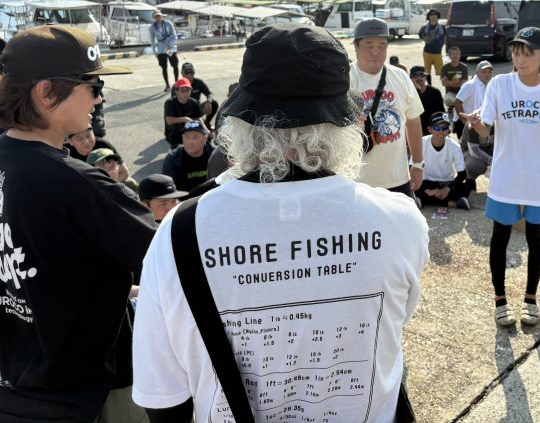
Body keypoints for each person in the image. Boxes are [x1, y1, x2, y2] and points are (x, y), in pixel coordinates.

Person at [132, 24, 428, 423]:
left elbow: (162, 397)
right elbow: (394, 322)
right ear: (346, 124)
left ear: (241, 122)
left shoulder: (179, 233)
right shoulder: (400, 221)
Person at [0, 25, 156, 422]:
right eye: (92, 85)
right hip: (82, 393)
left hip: (14, 380)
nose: (99, 97)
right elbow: (170, 259)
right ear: (46, 92)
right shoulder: (78, 184)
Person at [463, 26, 540, 328]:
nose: (521, 59)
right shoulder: (500, 84)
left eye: (528, 53)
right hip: (506, 177)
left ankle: (531, 299)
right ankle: (500, 300)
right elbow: (486, 129)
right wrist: (474, 123)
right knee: (499, 237)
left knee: (536, 238)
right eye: (516, 52)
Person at [350, 18, 425, 196]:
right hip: (357, 181)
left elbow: (413, 122)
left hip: (398, 179)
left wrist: (417, 164)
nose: (376, 52)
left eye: (382, 46)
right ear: (356, 46)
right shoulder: (344, 79)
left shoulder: (401, 77)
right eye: (369, 45)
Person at [414, 112, 472, 210]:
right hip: (426, 182)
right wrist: (427, 190)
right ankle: (450, 203)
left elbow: (462, 174)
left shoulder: (455, 146)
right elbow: (412, 168)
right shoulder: (421, 143)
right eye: (437, 128)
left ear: (448, 129)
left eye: (444, 128)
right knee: (410, 184)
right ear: (429, 129)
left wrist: (447, 189)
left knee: (467, 186)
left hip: (447, 182)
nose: (441, 132)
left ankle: (424, 200)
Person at [455, 60, 494, 183]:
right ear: (477, 72)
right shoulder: (470, 85)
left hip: (483, 122)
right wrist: (466, 122)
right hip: (467, 122)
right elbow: (457, 102)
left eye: (489, 72)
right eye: (483, 72)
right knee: (470, 155)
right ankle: (468, 181)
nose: (486, 74)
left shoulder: (491, 86)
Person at [66, 125, 132, 183]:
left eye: (89, 135)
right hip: (84, 186)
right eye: (80, 139)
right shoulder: (65, 153)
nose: (86, 141)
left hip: (109, 183)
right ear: (70, 141)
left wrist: (110, 187)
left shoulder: (103, 145)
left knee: (131, 184)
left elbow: (124, 173)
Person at [161, 120, 213, 192]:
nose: (190, 142)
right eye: (187, 137)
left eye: (195, 137)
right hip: (183, 197)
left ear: (205, 138)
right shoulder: (173, 159)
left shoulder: (214, 155)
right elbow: (167, 190)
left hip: (210, 196)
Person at [163, 77, 202, 147]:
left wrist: (206, 130)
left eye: (188, 90)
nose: (186, 93)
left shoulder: (194, 102)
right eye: (182, 91)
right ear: (176, 91)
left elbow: (198, 118)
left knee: (204, 131)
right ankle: (175, 148)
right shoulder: (170, 102)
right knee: (174, 128)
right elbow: (169, 121)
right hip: (175, 132)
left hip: (189, 128)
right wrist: (185, 119)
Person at [180, 62, 218, 130]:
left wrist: (209, 102)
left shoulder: (198, 82)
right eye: (187, 73)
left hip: (196, 110)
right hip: (183, 113)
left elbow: (209, 94)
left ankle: (206, 123)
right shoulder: (178, 86)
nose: (189, 75)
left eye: (191, 72)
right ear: (182, 74)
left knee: (214, 103)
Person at [410, 64, 445, 132]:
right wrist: (418, 90)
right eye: (415, 76)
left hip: (432, 129)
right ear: (410, 79)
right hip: (413, 129)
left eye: (421, 76)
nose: (419, 78)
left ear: (426, 77)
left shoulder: (435, 92)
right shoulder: (408, 94)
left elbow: (441, 113)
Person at [150, 11, 179, 92]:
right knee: (164, 67)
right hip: (161, 48)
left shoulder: (168, 23)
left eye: (159, 16)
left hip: (169, 47)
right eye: (156, 16)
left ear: (162, 16)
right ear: (154, 18)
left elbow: (174, 36)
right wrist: (155, 52)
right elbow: (152, 40)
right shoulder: (152, 27)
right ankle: (167, 85)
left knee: (175, 65)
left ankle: (177, 84)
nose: (158, 17)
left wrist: (171, 44)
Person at [419, 8, 447, 82]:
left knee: (442, 72)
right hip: (427, 52)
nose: (433, 16)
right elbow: (421, 36)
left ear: (438, 16)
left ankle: (446, 85)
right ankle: (429, 86)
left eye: (435, 14)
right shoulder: (424, 27)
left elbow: (445, 38)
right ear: (428, 16)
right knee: (427, 72)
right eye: (431, 14)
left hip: (438, 53)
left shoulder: (442, 27)